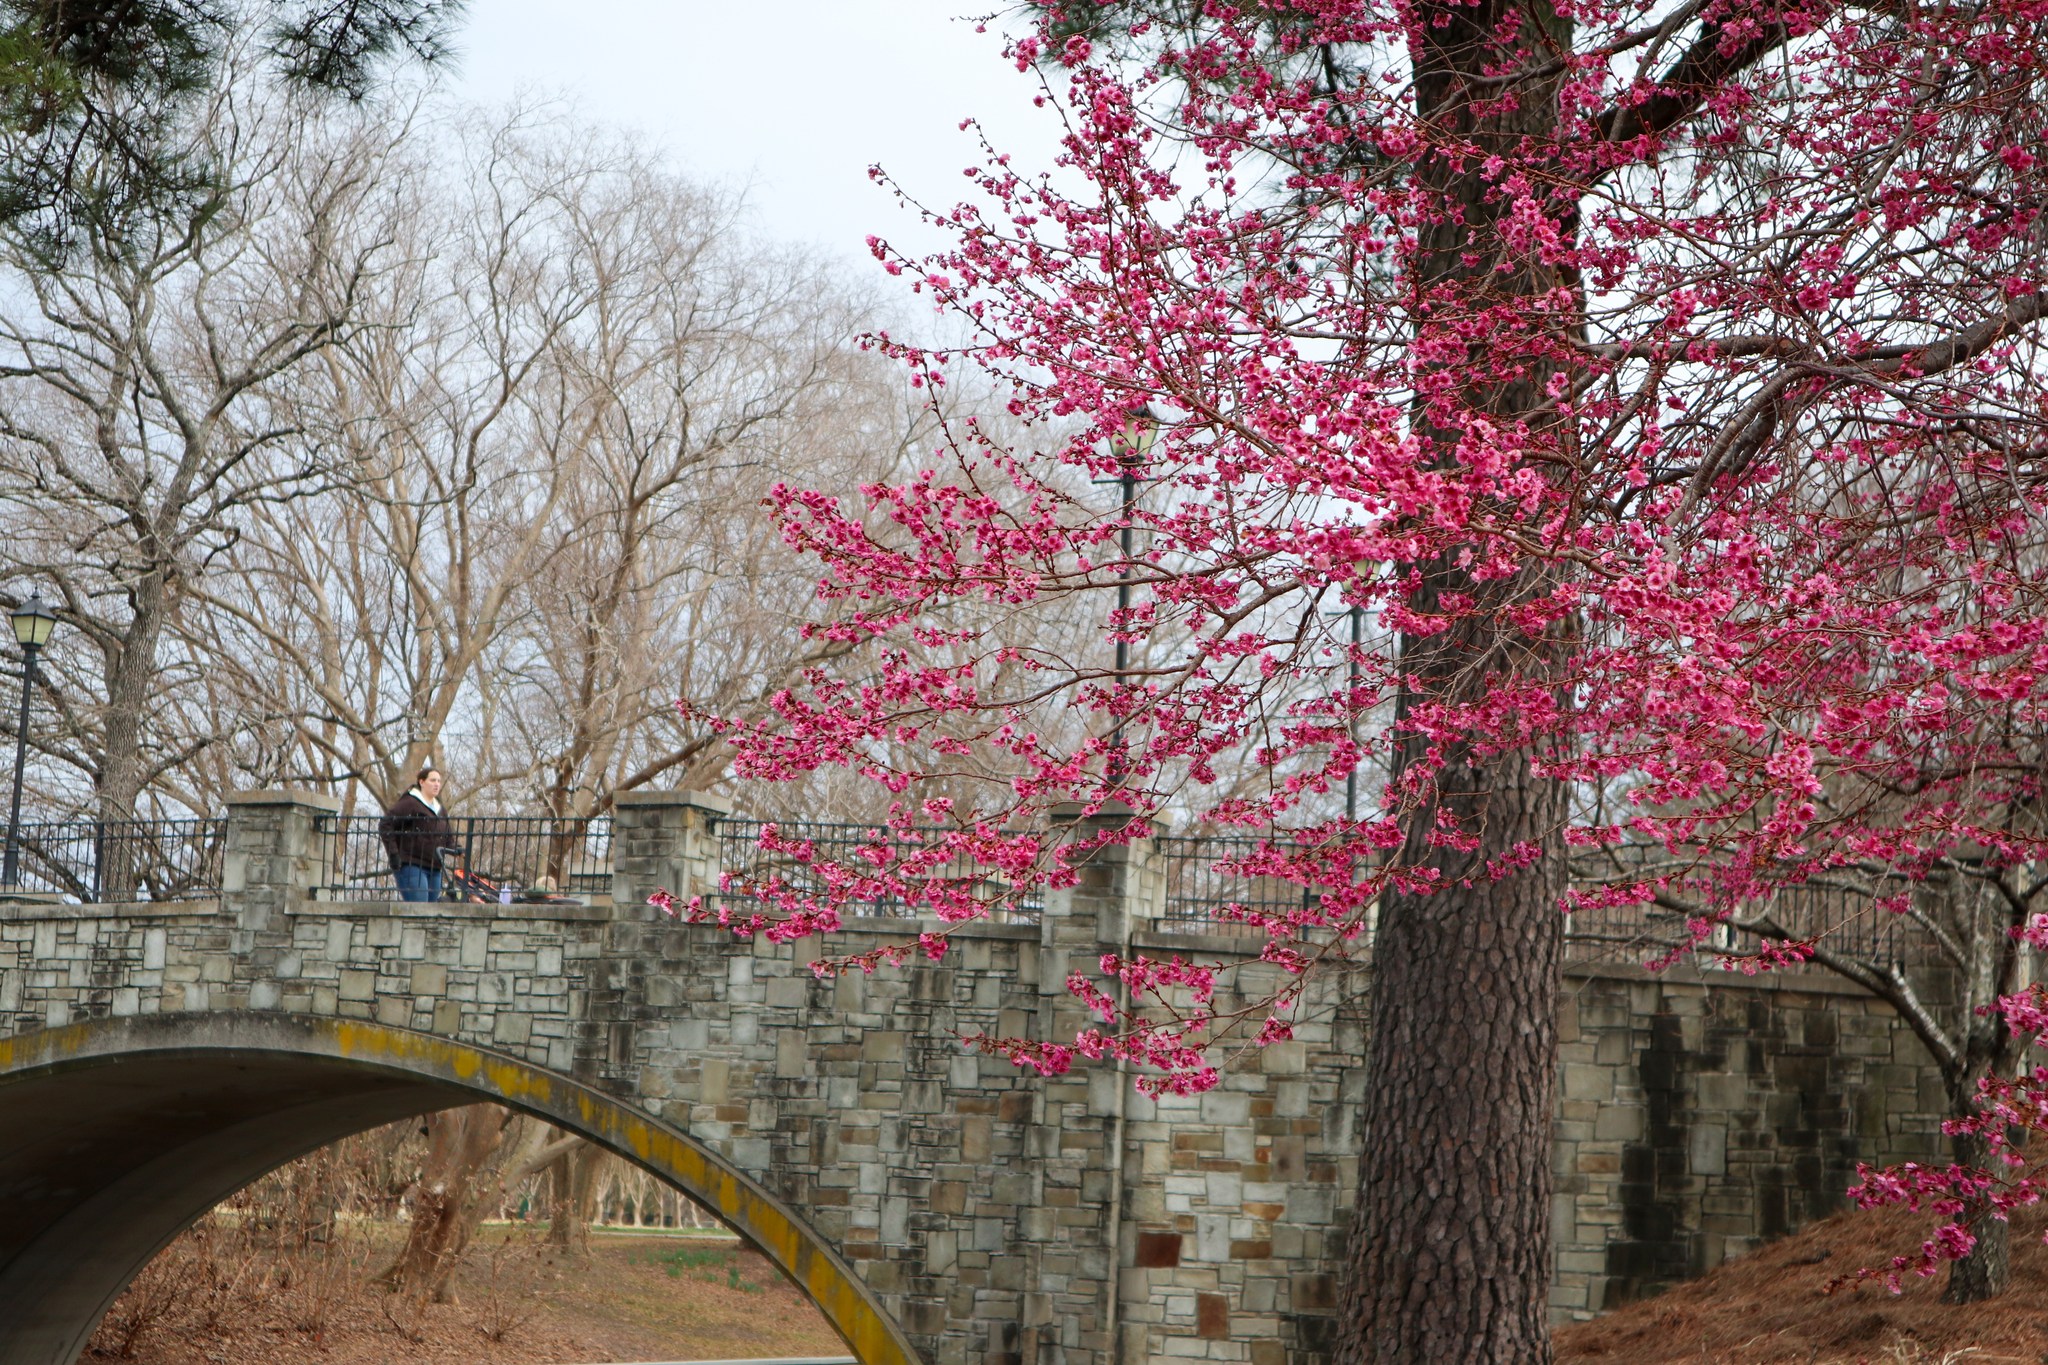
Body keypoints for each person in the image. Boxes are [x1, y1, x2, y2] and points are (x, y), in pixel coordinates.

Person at [379, 767, 453, 902]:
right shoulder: (410, 803)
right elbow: (385, 824)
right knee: (419, 910)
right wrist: (393, 853)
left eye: (438, 781)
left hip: (435, 867)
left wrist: (456, 848)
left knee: (431, 913)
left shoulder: (440, 809)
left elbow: (448, 835)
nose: (437, 784)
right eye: (432, 780)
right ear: (422, 782)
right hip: (412, 866)